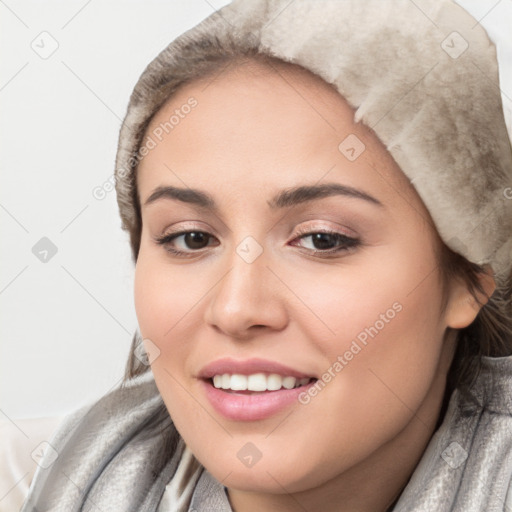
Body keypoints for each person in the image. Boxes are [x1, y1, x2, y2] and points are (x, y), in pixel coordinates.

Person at [21, 0, 512, 511]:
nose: (236, 309)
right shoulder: (52, 477)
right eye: (191, 238)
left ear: (471, 274)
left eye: (323, 239)